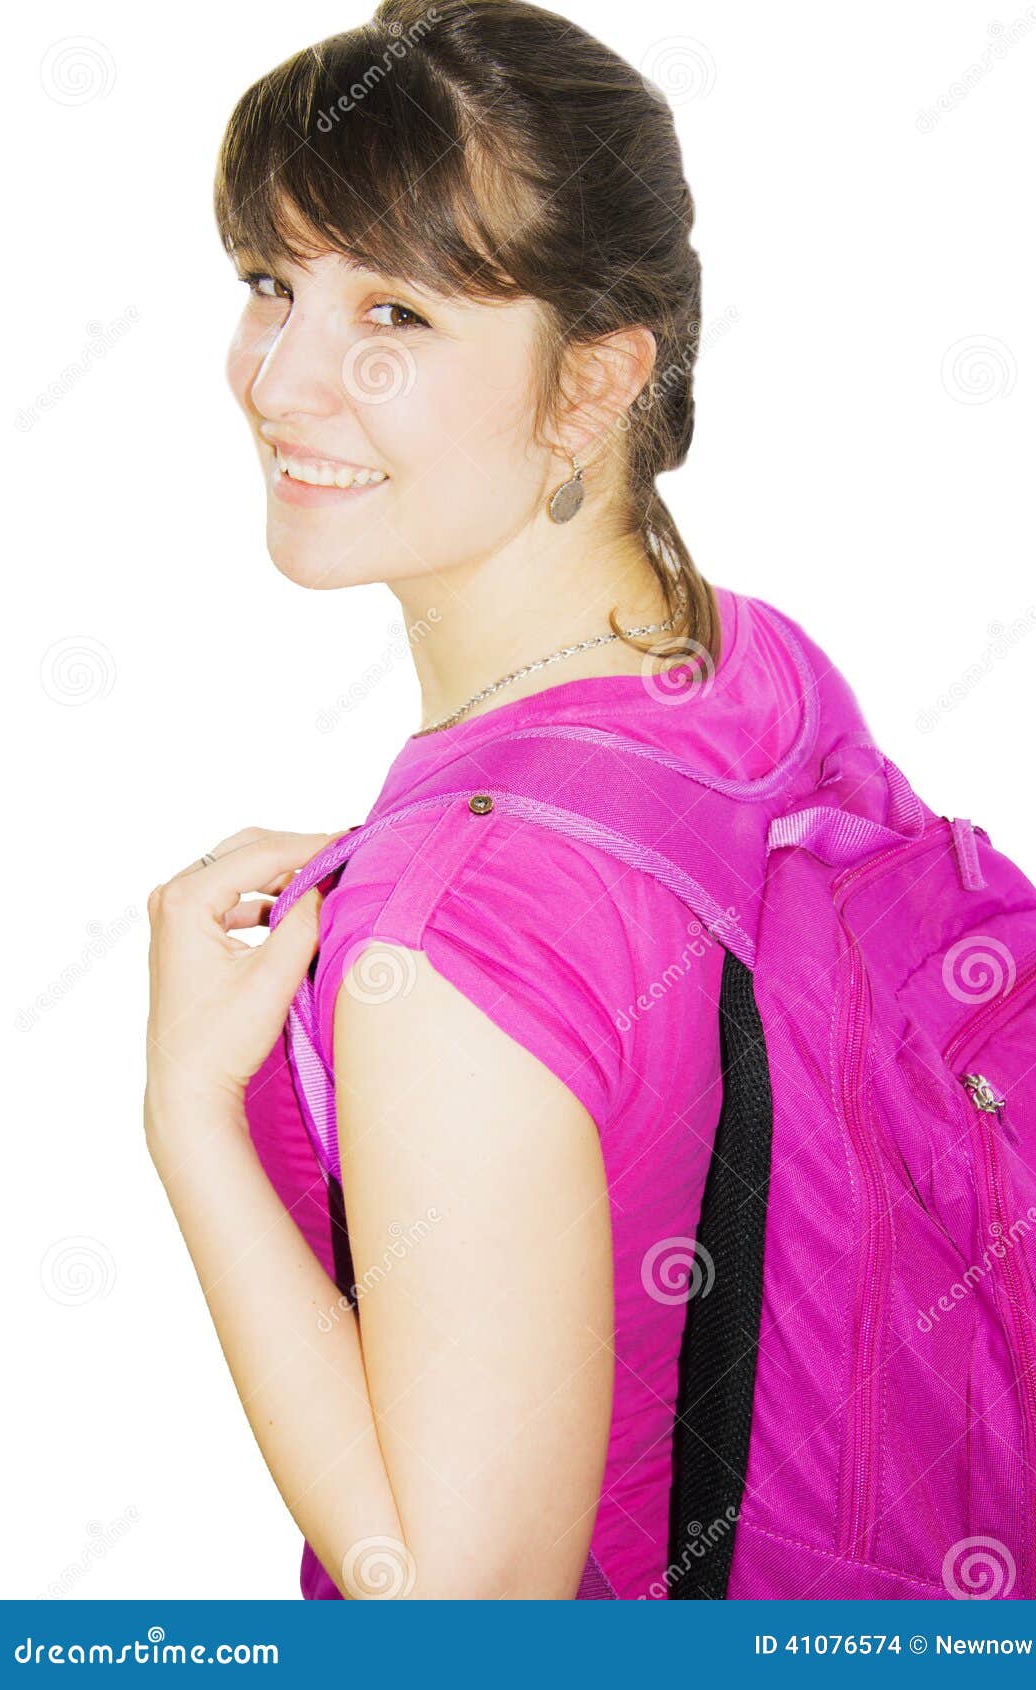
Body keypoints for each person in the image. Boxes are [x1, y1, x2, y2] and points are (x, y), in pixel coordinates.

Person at [144, 0, 808, 1599]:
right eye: (270, 284)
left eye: (397, 313)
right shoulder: (735, 675)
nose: (285, 379)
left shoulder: (447, 944)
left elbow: (459, 1608)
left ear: (593, 384)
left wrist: (189, 1124)